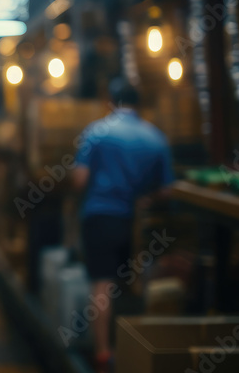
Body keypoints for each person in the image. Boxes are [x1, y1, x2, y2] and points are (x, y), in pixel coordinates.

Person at [70, 79, 174, 373]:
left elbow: (79, 180)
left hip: (100, 217)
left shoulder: (96, 132)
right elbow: (167, 189)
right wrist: (144, 199)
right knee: (137, 284)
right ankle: (139, 351)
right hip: (137, 222)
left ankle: (103, 352)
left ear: (110, 102)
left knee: (102, 285)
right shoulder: (156, 137)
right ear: (138, 104)